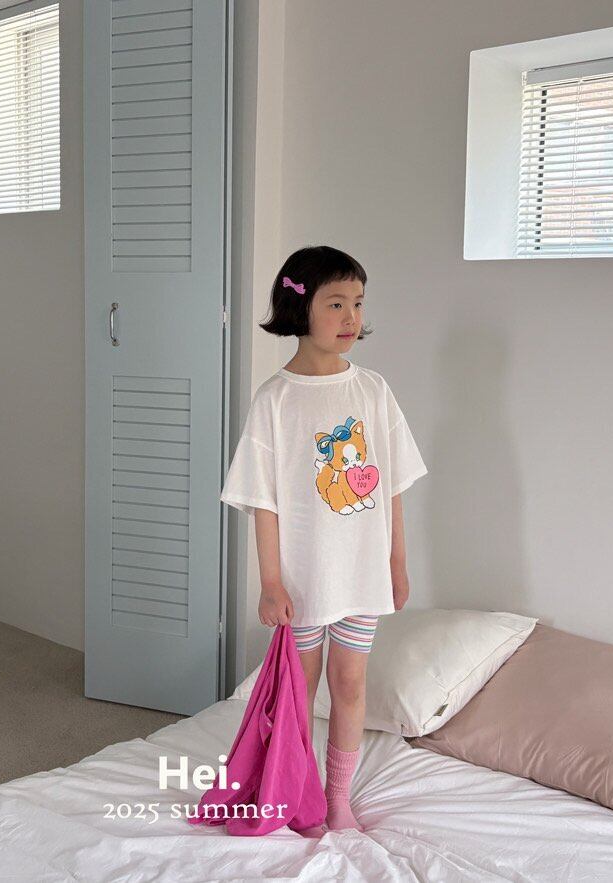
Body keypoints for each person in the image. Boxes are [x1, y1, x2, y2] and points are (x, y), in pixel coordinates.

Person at [219, 245, 428, 837]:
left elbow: (391, 487)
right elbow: (263, 501)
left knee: (351, 684)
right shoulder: (276, 399)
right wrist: (270, 583)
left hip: (362, 574)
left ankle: (338, 799)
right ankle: (298, 792)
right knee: (300, 691)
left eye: (358, 304)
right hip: (303, 580)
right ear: (300, 307)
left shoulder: (374, 391)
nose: (351, 318)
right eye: (336, 304)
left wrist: (397, 563)